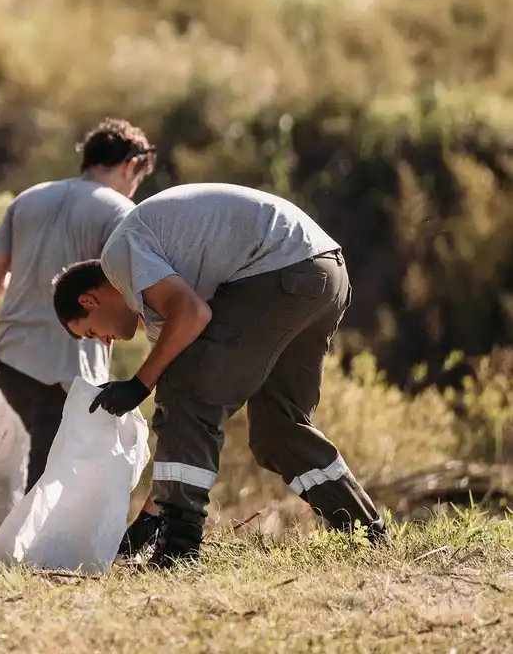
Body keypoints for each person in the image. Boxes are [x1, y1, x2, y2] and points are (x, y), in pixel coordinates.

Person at [50, 182, 386, 568]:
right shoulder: (159, 302)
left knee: (185, 393)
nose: (105, 342)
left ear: (88, 300)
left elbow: (193, 323)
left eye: (92, 332)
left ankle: (179, 549)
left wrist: (138, 386)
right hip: (323, 273)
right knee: (279, 429)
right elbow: (183, 421)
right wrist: (149, 516)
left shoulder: (119, 255)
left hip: (281, 270)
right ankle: (367, 532)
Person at [0, 118, 153, 491]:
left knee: (46, 463)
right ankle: (31, 548)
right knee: (52, 473)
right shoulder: (119, 211)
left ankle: (23, 542)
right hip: (66, 366)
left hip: (11, 360)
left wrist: (28, 289)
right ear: (131, 165)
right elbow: (125, 295)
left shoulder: (29, 197)